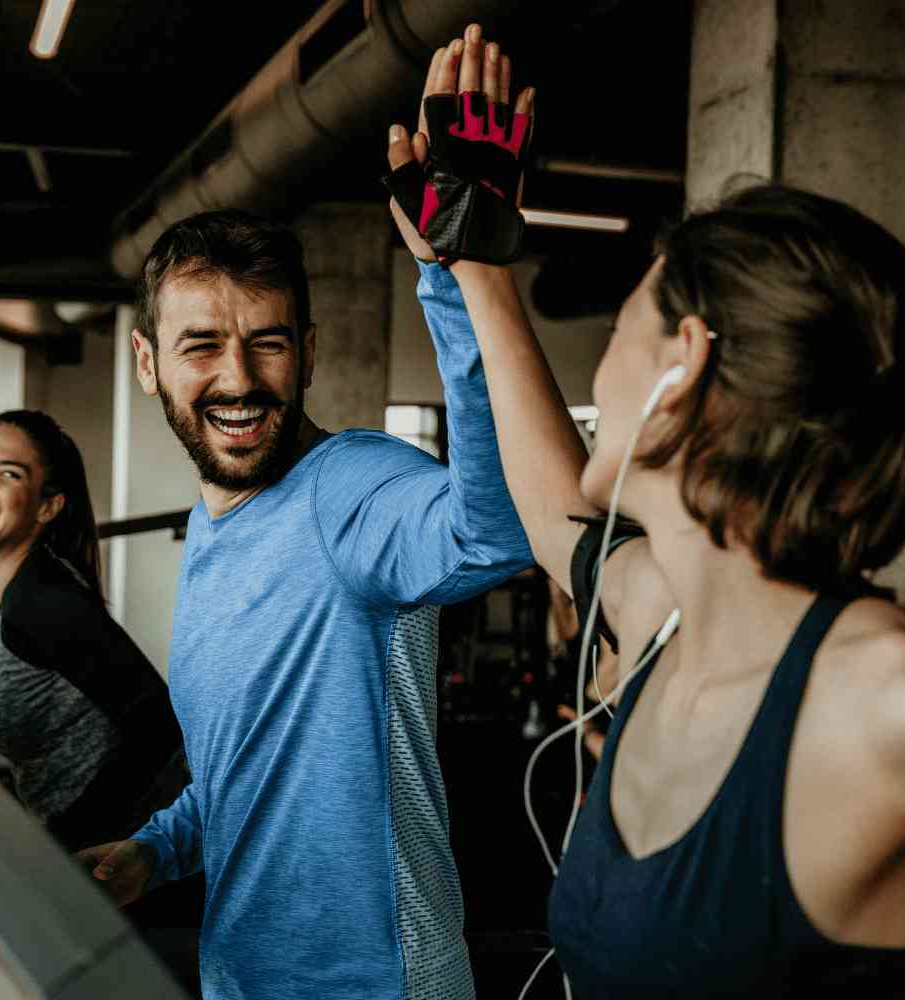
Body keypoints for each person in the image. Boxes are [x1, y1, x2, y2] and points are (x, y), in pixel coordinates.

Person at [384, 25, 905, 997]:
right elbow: (560, 518)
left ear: (680, 363)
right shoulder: (662, 617)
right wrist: (474, 269)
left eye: (617, 333)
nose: (600, 368)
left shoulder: (897, 699)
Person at [77, 79, 533, 999]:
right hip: (239, 978)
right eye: (201, 345)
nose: (238, 378)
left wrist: (457, 280)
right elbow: (245, 775)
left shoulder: (352, 486)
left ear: (311, 353)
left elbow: (498, 535)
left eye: (269, 343)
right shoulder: (214, 534)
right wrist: (153, 853)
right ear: (147, 364)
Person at [0, 410, 183, 850]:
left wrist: (71, 840)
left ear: (47, 506)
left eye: (9, 473)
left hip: (125, 867)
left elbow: (157, 726)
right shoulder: (19, 598)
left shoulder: (40, 602)